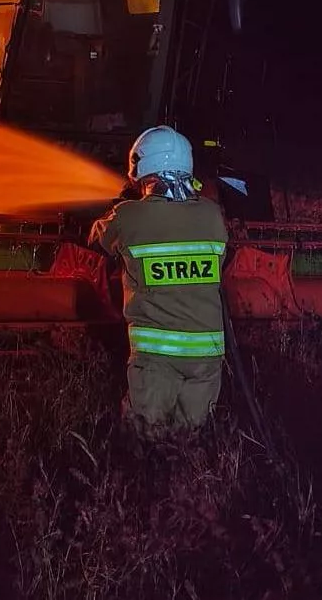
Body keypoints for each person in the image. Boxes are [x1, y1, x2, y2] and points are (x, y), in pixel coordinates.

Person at [89, 125, 229, 433]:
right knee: (192, 441)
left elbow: (97, 237)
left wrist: (123, 204)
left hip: (157, 360)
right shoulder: (212, 214)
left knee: (147, 440)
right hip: (207, 357)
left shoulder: (128, 216)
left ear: (143, 171)